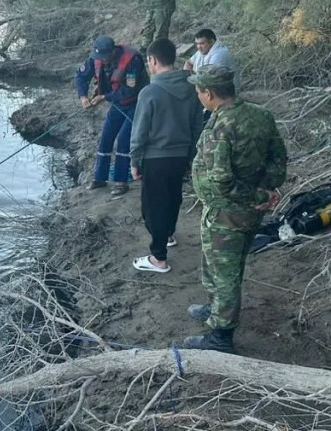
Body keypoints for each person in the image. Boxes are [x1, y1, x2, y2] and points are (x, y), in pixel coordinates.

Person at [178, 65, 287, 353]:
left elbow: (222, 181)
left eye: (198, 91)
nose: (198, 95)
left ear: (209, 93)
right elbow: (279, 157)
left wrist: (255, 195)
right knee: (219, 265)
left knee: (225, 273)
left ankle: (220, 337)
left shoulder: (221, 127)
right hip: (249, 211)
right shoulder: (260, 114)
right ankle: (215, 307)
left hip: (227, 213)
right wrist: (267, 189)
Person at [130, 38, 203, 273]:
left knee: (152, 207)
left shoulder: (149, 92)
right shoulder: (192, 88)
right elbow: (197, 126)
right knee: (172, 198)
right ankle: (168, 235)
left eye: (148, 62)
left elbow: (139, 132)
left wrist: (134, 160)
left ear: (152, 60)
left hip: (155, 157)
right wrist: (191, 154)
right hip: (181, 155)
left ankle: (158, 258)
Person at [76, 36, 150, 196]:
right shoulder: (94, 59)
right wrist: (83, 96)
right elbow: (81, 77)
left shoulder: (132, 60)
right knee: (106, 138)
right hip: (117, 104)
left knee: (123, 140)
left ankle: (121, 182)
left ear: (113, 51)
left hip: (136, 103)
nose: (101, 60)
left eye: (104, 57)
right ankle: (99, 178)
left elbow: (131, 89)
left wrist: (105, 97)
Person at [184, 29, 239, 122]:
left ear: (212, 42)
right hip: (208, 90)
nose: (199, 47)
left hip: (221, 94)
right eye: (197, 44)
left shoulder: (219, 54)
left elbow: (209, 81)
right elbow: (188, 63)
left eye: (202, 43)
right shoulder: (203, 51)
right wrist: (186, 76)